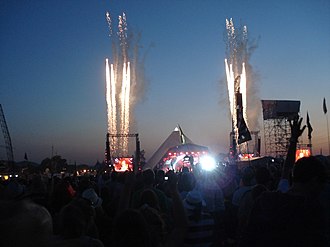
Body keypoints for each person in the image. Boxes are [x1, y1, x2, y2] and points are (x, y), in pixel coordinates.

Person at [239, 116, 328, 247]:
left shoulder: (267, 200)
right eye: (322, 182)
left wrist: (293, 140)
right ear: (314, 181)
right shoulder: (311, 211)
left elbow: (286, 169)